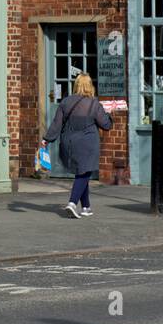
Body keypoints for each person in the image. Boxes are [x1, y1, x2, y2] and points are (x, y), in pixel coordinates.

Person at [44, 72, 112, 219]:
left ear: (76, 85)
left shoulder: (66, 102)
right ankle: (72, 203)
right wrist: (108, 113)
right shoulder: (94, 104)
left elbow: (57, 124)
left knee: (82, 172)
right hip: (87, 143)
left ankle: (86, 207)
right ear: (90, 86)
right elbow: (106, 125)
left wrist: (46, 139)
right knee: (84, 173)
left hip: (69, 142)